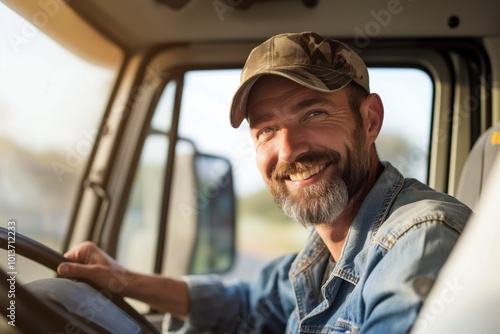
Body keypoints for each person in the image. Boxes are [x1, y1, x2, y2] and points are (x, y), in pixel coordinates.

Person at [57, 31, 472, 333]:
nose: (289, 150)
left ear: (370, 121)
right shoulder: (318, 257)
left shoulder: (418, 241)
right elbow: (243, 303)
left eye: (313, 114)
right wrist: (123, 280)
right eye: (267, 130)